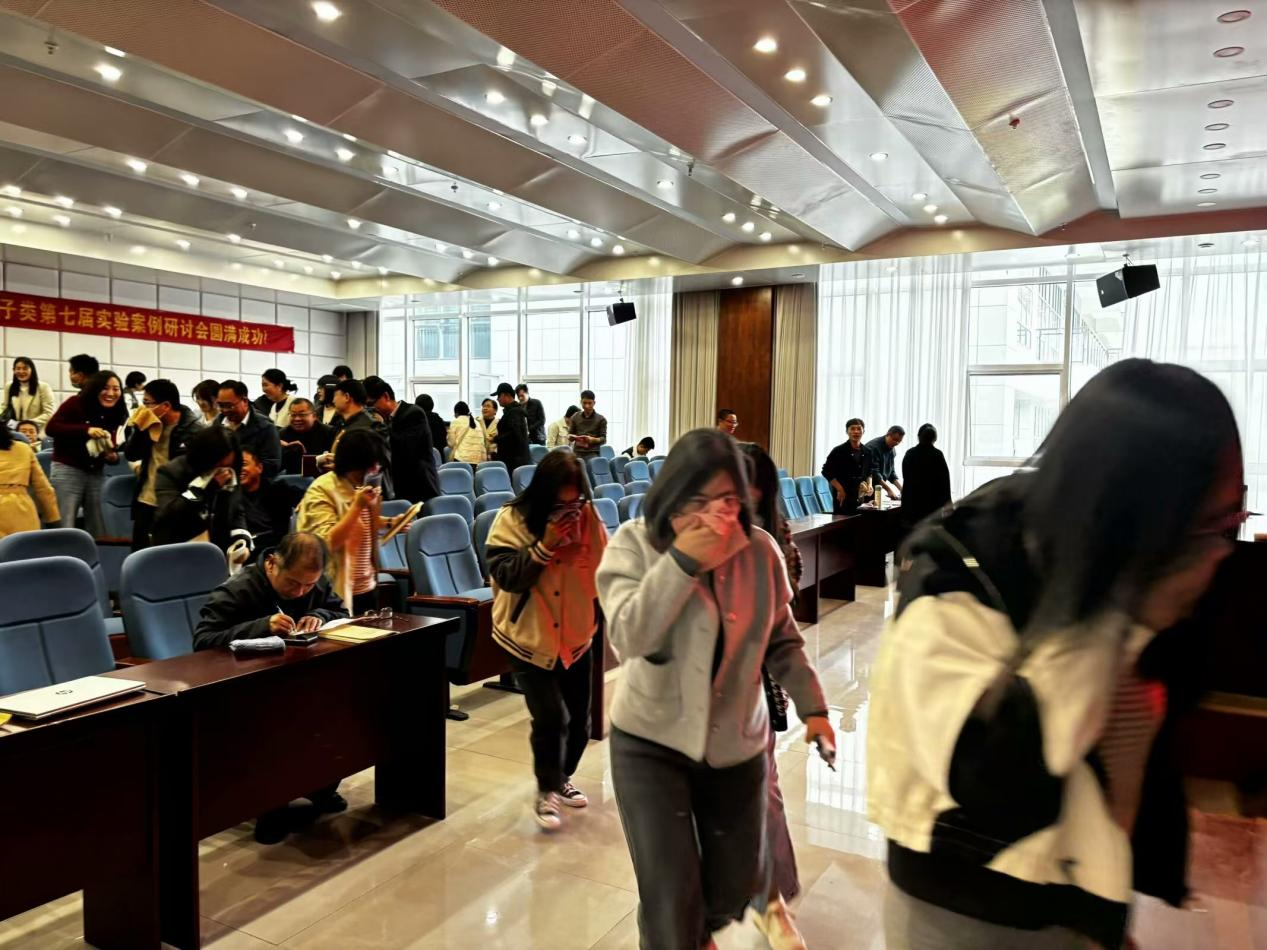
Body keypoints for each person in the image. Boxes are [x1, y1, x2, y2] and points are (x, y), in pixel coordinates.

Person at [868, 359, 1247, 950]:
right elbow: (994, 781)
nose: (1221, 549)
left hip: (1076, 895)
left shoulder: (1145, 573)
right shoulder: (961, 571)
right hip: (969, 906)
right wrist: (1119, 613)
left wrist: (1101, 906)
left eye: (1233, 517)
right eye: (1210, 525)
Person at [596, 428, 834, 950]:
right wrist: (681, 562)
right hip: (651, 743)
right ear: (672, 494)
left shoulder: (760, 551)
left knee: (732, 887)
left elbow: (782, 641)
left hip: (736, 744)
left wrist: (814, 709)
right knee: (670, 892)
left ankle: (695, 926)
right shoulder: (635, 544)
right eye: (698, 501)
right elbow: (629, 637)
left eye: (727, 500)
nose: (715, 515)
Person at [192, 531, 349, 842]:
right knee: (280, 724)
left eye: (309, 586)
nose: (300, 591)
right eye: (293, 583)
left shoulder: (312, 582)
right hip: (243, 688)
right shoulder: (238, 589)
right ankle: (271, 806)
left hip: (296, 679)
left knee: (337, 712)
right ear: (272, 563)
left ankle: (320, 785)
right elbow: (203, 642)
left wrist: (317, 615)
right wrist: (262, 626)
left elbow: (340, 613)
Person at [486, 450, 608, 830]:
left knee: (581, 724)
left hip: (576, 636)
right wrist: (545, 546)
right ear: (542, 496)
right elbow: (507, 577)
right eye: (560, 506)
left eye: (576, 504)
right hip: (528, 637)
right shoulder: (511, 519)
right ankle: (547, 790)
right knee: (552, 717)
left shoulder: (587, 517)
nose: (569, 513)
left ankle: (560, 777)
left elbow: (607, 571)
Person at [738, 442, 807, 948]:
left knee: (763, 787)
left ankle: (774, 890)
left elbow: (785, 599)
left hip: (753, 675)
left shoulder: (769, 537)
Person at [295, 428, 386, 612]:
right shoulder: (322, 490)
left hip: (367, 584)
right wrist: (357, 506)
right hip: (336, 591)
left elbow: (364, 524)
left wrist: (392, 522)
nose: (376, 469)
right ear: (356, 463)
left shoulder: (362, 485)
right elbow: (325, 544)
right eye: (372, 464)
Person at [150, 425, 252, 562]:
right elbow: (168, 516)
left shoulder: (230, 470)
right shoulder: (171, 472)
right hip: (177, 551)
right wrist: (207, 488)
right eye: (218, 464)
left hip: (216, 554)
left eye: (227, 464)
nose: (223, 470)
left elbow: (236, 509)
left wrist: (241, 538)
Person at [45, 369, 127, 537]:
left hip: (96, 472)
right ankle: (62, 553)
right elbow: (51, 428)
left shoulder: (117, 411)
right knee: (64, 524)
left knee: (100, 524)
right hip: (68, 469)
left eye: (116, 389)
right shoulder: (75, 403)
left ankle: (99, 554)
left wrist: (112, 456)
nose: (111, 393)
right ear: (95, 388)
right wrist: (86, 430)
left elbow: (114, 443)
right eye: (105, 388)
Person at [124, 378, 202, 549]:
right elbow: (131, 454)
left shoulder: (193, 430)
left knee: (168, 555)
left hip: (174, 504)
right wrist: (139, 430)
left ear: (165, 406)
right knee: (140, 554)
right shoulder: (148, 424)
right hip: (146, 499)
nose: (144, 408)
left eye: (148, 403)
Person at [364, 376, 440, 503]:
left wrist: (380, 425)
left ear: (386, 396)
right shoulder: (386, 419)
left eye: (372, 404)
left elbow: (404, 449)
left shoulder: (413, 413)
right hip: (397, 488)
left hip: (419, 488)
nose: (371, 410)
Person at [238, 448, 304, 556]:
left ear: (259, 467)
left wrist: (305, 500)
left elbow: (309, 496)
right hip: (244, 552)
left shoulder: (278, 490)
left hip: (276, 551)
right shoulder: (229, 497)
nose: (239, 469)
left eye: (244, 464)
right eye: (236, 465)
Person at [0, 420, 58, 539]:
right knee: (26, 549)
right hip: (22, 511)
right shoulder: (24, 449)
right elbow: (43, 488)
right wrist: (53, 519)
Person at [214, 380, 282, 478]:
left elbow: (272, 465)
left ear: (245, 401)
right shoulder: (218, 423)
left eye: (229, 406)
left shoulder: (265, 427)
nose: (225, 410)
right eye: (221, 405)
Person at [900, 423, 951, 531]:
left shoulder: (910, 453)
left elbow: (906, 477)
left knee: (912, 533)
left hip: (912, 502)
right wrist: (948, 502)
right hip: (932, 504)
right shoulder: (937, 455)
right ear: (934, 438)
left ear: (919, 436)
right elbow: (945, 482)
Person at [821, 417, 874, 513]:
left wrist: (870, 485)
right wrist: (840, 489)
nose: (856, 432)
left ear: (863, 431)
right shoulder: (838, 451)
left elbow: (869, 472)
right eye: (852, 429)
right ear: (847, 431)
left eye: (859, 429)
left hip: (861, 496)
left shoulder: (867, 451)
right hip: (843, 495)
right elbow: (826, 471)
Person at [279, 398, 335, 474]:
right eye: (293, 415)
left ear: (314, 416)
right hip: (291, 477)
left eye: (302, 415)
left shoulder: (329, 433)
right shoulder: (282, 434)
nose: (297, 419)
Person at [3, 357, 56, 434]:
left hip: (36, 432)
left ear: (32, 370)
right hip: (14, 432)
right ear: (13, 370)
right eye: (18, 368)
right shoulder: (9, 386)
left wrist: (26, 424)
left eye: (25, 368)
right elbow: (4, 407)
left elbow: (49, 413)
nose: (21, 371)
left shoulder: (43, 387)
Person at [491, 382, 532, 473]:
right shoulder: (516, 411)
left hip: (514, 462)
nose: (497, 399)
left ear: (507, 395)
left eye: (499, 396)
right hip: (516, 460)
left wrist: (496, 439)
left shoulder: (514, 412)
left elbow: (514, 435)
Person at [865, 425, 905, 499]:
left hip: (877, 488)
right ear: (887, 434)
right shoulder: (873, 447)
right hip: (866, 488)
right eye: (895, 440)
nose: (896, 443)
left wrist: (901, 489)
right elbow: (874, 473)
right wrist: (889, 490)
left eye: (899, 441)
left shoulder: (892, 448)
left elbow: (891, 472)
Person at [568, 390, 607, 461]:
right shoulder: (575, 417)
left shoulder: (601, 419)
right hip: (577, 452)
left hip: (592, 452)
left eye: (589, 403)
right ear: (581, 402)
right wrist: (571, 437)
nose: (587, 406)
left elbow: (603, 439)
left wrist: (593, 440)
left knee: (591, 464)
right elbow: (570, 434)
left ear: (594, 403)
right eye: (584, 403)